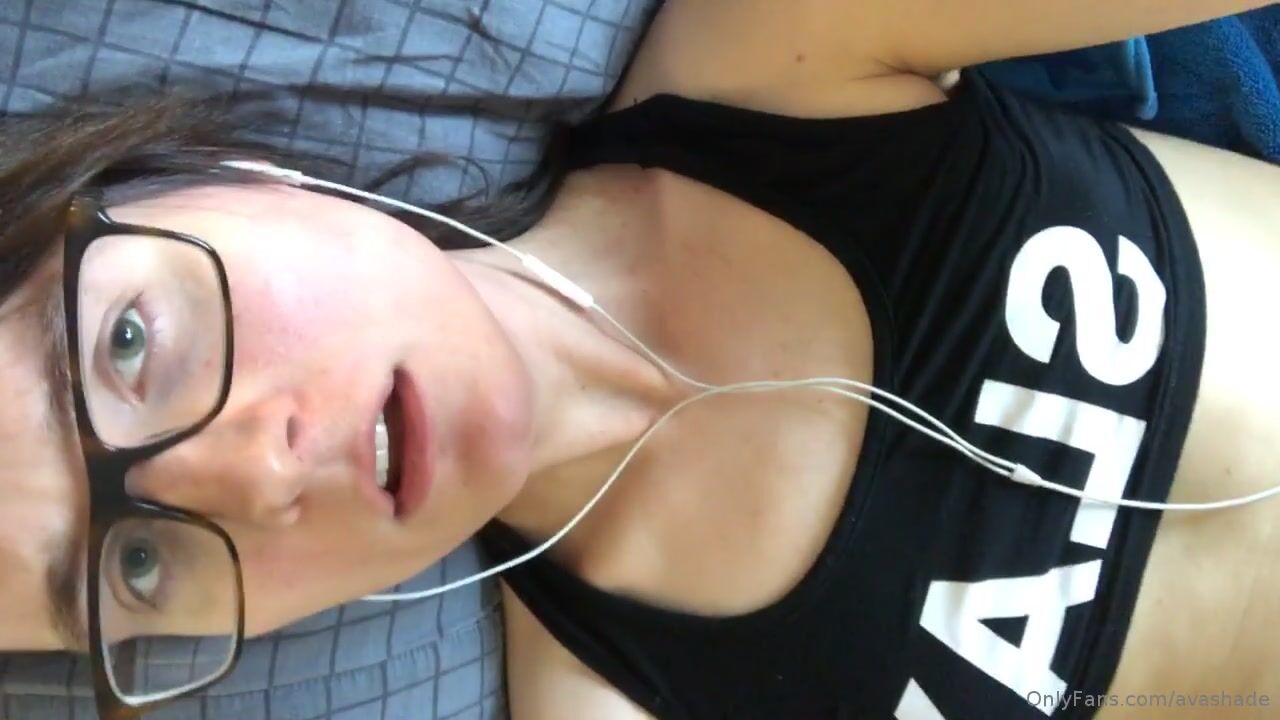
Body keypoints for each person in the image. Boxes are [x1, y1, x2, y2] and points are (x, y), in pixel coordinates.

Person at [2, 1, 1279, 719]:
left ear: (209, 179)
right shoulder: (614, 703)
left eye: (128, 345)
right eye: (137, 566)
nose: (255, 472)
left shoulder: (761, 57)